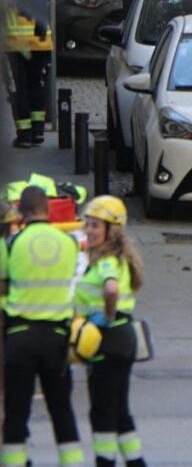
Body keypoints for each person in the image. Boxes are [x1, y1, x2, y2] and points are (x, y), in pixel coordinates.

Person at [1, 186, 85, 467]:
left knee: (16, 412)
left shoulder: (13, 244)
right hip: (57, 339)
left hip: (19, 337)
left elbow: (4, 285)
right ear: (48, 210)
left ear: (21, 213)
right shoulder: (69, 243)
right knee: (61, 410)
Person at [73, 195, 146, 467]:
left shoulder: (106, 261)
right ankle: (136, 463)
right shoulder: (115, 258)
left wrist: (105, 316)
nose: (89, 230)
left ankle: (105, 463)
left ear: (110, 231)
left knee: (103, 412)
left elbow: (111, 288)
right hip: (120, 339)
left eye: (95, 226)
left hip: (108, 338)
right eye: (87, 225)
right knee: (119, 411)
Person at [5, 0, 65, 147]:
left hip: (14, 44)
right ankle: (37, 131)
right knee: (36, 86)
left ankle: (24, 134)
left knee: (18, 89)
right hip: (40, 42)